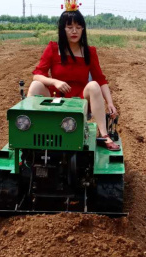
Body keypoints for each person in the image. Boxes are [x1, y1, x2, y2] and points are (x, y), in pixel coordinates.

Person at [27, 10, 120, 151]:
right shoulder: (53, 49)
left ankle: (104, 135)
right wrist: (55, 82)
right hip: (56, 99)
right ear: (63, 29)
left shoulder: (89, 52)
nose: (74, 31)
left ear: (83, 29)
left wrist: (110, 103)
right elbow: (37, 74)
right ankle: (28, 130)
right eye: (69, 27)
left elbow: (100, 79)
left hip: (79, 100)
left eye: (78, 27)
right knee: (35, 85)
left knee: (94, 85)